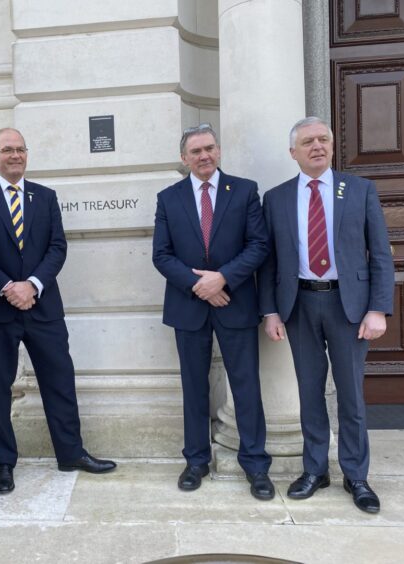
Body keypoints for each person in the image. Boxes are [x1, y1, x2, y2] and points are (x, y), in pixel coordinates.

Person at [0, 128, 116, 494]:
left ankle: (71, 452)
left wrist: (32, 285)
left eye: (21, 150)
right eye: (7, 150)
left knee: (60, 381)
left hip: (43, 307)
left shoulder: (45, 197)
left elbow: (57, 247)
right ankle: (4, 464)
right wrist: (8, 287)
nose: (15, 155)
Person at [258, 117, 394, 514]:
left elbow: (381, 254)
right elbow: (268, 263)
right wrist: (270, 311)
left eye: (323, 140)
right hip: (299, 305)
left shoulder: (359, 190)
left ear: (332, 146)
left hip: (348, 306)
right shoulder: (277, 198)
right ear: (293, 152)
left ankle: (356, 475)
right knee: (309, 391)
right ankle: (315, 470)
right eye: (307, 142)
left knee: (350, 394)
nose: (317, 146)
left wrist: (378, 309)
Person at [152, 123, 273, 498]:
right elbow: (162, 255)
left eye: (209, 148)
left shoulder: (245, 190)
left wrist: (222, 279)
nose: (204, 156)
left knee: (246, 385)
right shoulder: (168, 198)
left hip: (235, 303)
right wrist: (200, 286)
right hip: (189, 306)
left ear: (218, 151)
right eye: (196, 151)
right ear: (184, 158)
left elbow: (258, 245)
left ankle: (255, 464)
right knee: (193, 387)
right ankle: (196, 461)